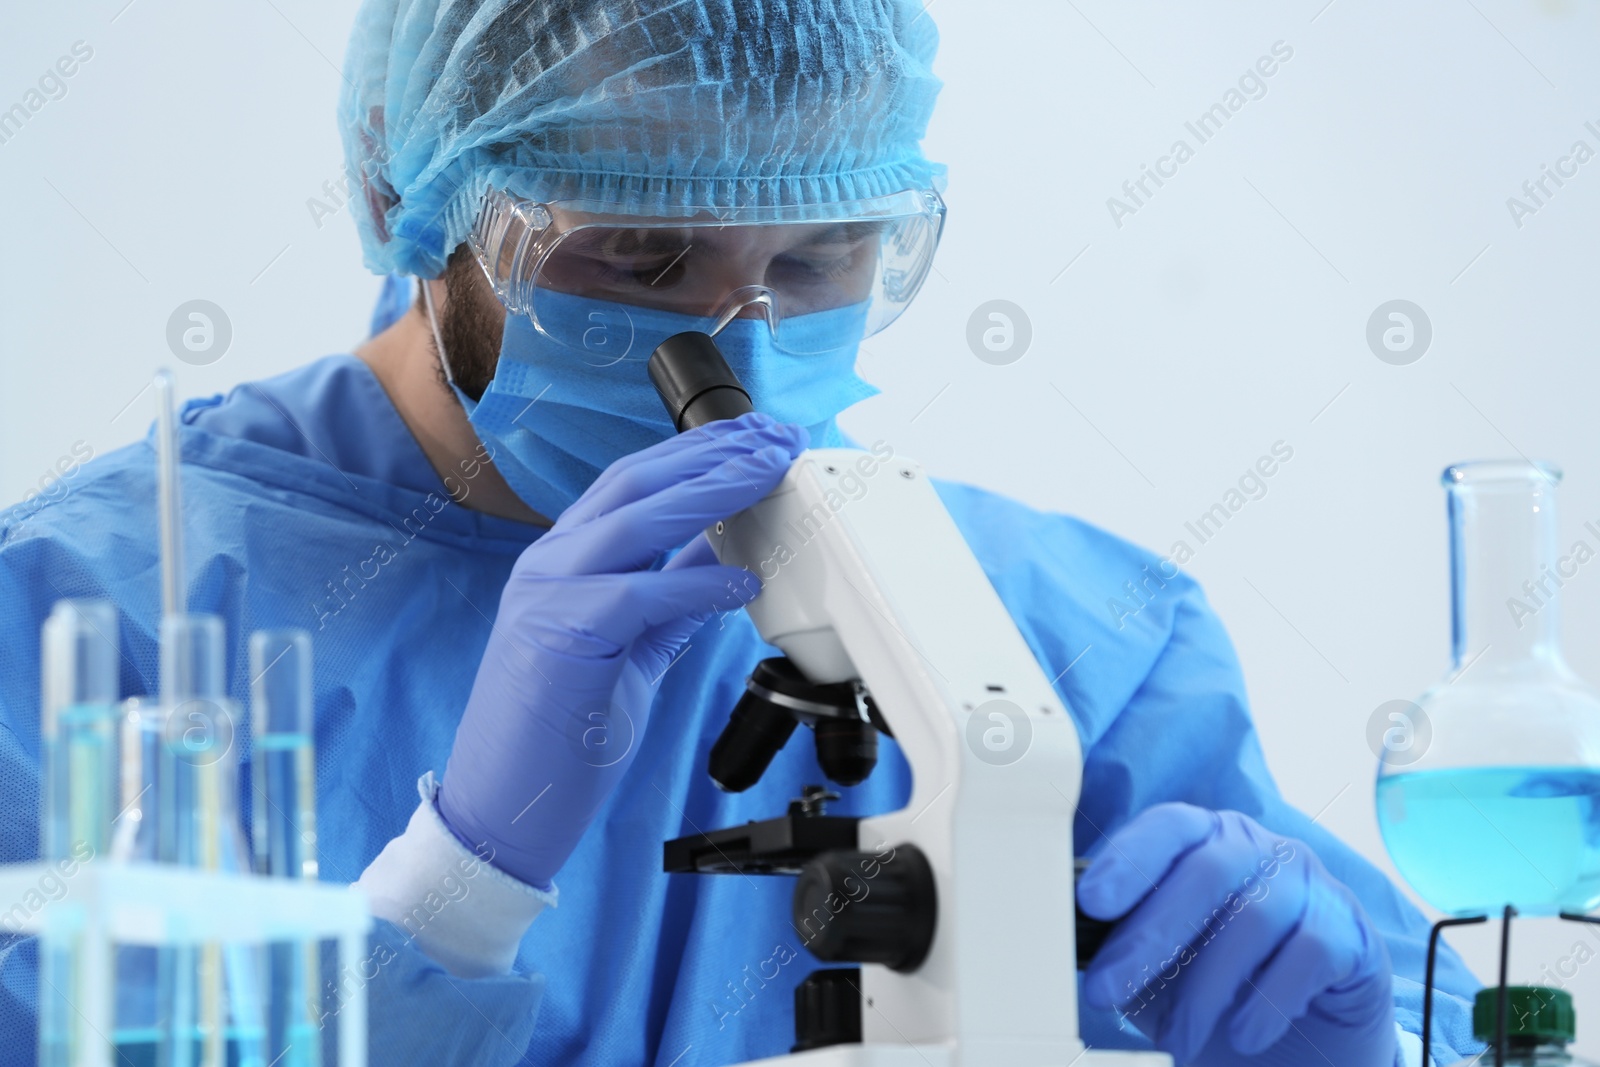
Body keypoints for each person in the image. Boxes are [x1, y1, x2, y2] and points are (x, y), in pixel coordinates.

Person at [0, 1, 1484, 1064]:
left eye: (817, 252)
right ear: (418, 199)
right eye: (639, 252)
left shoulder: (1054, 638)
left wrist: (1364, 1048)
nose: (739, 342)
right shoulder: (84, 618)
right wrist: (458, 885)